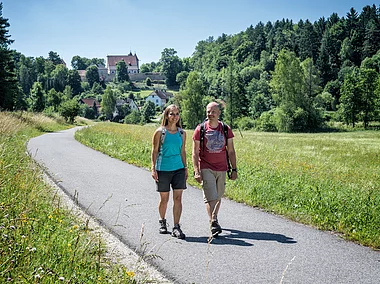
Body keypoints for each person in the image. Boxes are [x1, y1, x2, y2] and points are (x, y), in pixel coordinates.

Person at [192, 102, 237, 237]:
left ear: (218, 113)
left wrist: (234, 169)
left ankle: (214, 220)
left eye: (213, 112)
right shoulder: (200, 129)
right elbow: (195, 152)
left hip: (222, 167)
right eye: (208, 111)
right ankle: (214, 221)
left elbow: (231, 151)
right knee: (210, 195)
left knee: (218, 195)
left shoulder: (225, 129)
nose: (210, 114)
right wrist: (196, 170)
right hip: (206, 167)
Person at [151, 104, 188, 239]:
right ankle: (162, 221)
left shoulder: (182, 133)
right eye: (172, 114)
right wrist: (153, 168)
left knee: (178, 198)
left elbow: (183, 151)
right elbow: (154, 151)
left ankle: (176, 226)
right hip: (163, 169)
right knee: (164, 199)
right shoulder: (160, 132)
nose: (175, 117)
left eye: (177, 114)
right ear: (166, 115)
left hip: (178, 168)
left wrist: (185, 168)